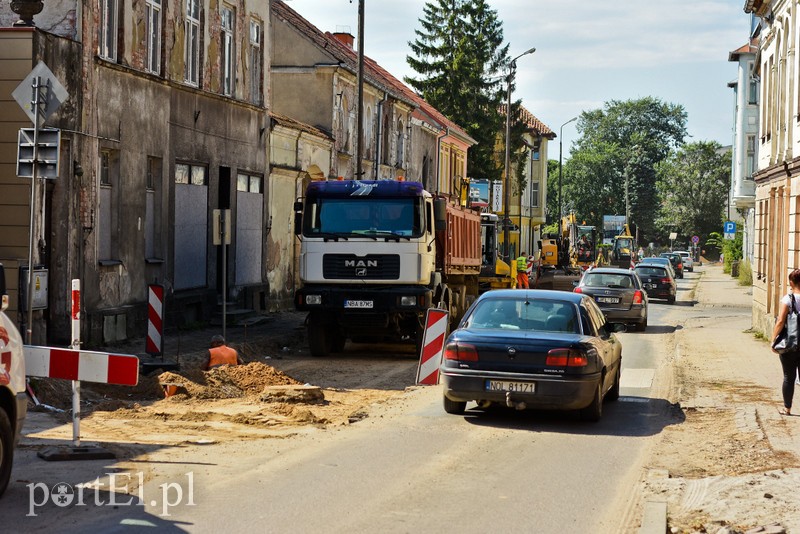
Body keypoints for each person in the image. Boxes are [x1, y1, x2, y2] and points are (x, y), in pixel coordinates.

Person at [771, 269, 800, 415]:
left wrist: (774, 340)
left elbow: (781, 321)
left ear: (791, 282)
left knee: (789, 377)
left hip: (790, 345)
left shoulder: (787, 299)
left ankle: (787, 409)